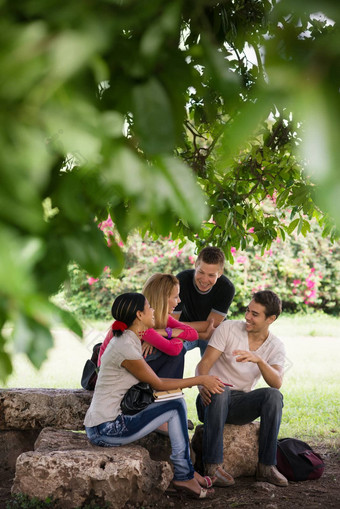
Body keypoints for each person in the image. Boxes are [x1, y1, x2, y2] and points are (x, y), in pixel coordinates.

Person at [84, 292, 225, 499]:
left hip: (107, 423)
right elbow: (158, 384)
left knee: (175, 402)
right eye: (149, 307)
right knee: (176, 405)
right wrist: (201, 380)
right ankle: (184, 475)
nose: (153, 311)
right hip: (105, 429)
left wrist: (167, 334)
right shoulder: (125, 346)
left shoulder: (129, 338)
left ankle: (186, 472)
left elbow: (182, 341)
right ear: (139, 315)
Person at [195, 290, 289, 487]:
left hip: (240, 404)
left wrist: (260, 360)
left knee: (273, 395)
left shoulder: (276, 346)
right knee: (221, 390)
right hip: (211, 398)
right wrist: (202, 383)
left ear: (270, 319)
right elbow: (203, 365)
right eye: (248, 310)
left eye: (255, 314)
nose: (247, 316)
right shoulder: (228, 328)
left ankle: (266, 467)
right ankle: (213, 467)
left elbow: (277, 381)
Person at [98, 274, 198, 379]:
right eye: (176, 297)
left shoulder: (159, 317)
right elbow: (174, 349)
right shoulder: (139, 323)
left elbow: (193, 334)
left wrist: (161, 332)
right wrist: (177, 336)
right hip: (114, 375)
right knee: (176, 353)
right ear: (162, 299)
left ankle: (169, 392)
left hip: (127, 369)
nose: (179, 301)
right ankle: (168, 392)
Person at [172, 246, 235, 356]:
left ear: (220, 273)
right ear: (196, 265)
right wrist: (176, 326)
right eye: (201, 272)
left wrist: (178, 325)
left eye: (211, 275)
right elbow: (172, 320)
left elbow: (211, 326)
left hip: (212, 334)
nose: (204, 280)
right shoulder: (181, 280)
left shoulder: (227, 288)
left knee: (213, 364)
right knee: (174, 349)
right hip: (184, 332)